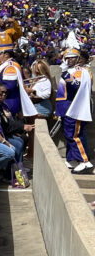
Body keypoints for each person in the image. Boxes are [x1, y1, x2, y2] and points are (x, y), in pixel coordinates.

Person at [55, 44, 92, 172]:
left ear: (77, 58)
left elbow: (76, 86)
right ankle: (71, 159)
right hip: (65, 108)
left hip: (74, 108)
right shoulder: (70, 71)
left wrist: (65, 74)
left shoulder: (80, 71)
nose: (69, 60)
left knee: (74, 135)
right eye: (67, 58)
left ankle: (84, 161)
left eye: (73, 57)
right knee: (68, 135)